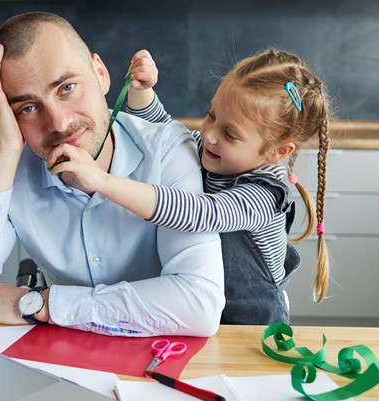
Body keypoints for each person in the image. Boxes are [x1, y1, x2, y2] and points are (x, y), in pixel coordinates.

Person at [0, 12, 225, 336]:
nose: (59, 124)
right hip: (63, 365)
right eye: (28, 108)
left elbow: (200, 306)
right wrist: (5, 151)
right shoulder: (11, 169)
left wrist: (41, 305)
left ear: (101, 74)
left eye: (67, 88)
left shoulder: (168, 151)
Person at [48, 49, 332, 324]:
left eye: (230, 134)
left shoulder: (265, 195)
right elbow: (167, 136)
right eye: (211, 115)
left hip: (253, 326)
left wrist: (104, 183)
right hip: (201, 316)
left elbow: (202, 213)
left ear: (277, 152)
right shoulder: (213, 150)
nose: (209, 135)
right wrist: (142, 92)